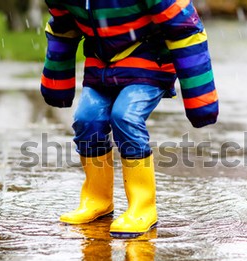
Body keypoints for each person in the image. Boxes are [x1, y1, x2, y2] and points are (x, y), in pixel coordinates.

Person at [40, 0, 219, 238]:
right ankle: (97, 198)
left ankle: (142, 206)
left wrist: (201, 100)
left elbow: (186, 29)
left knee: (125, 116)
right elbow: (63, 28)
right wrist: (56, 84)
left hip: (149, 63)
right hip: (101, 67)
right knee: (87, 118)